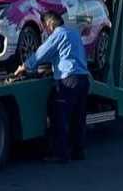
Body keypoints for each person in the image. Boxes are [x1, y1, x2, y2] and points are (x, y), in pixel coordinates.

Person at [19, 11, 90, 162]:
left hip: (68, 81)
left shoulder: (58, 35)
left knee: (60, 118)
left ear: (50, 24)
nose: (45, 30)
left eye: (45, 26)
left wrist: (24, 66)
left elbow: (41, 54)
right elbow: (65, 55)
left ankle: (60, 154)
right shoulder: (73, 33)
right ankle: (78, 152)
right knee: (78, 118)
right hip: (83, 79)